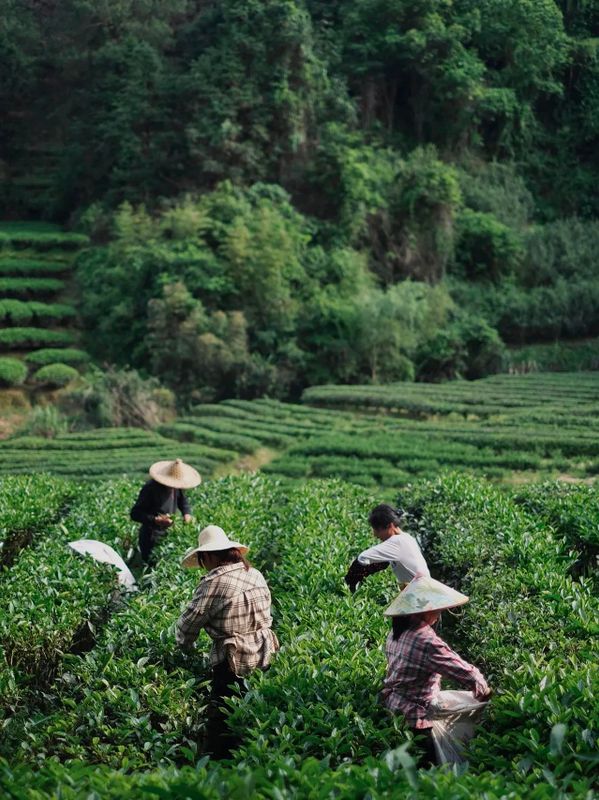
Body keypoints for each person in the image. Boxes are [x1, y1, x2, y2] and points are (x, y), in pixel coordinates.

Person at [176, 525, 279, 759]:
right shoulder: (254, 573)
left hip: (232, 657)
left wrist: (185, 646)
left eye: (203, 559)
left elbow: (188, 623)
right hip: (264, 650)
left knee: (224, 714)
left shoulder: (214, 582)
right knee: (255, 708)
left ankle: (222, 764)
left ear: (211, 556)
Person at [380, 574, 492, 766]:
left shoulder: (396, 632)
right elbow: (464, 671)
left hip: (393, 705)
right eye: (436, 609)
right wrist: (483, 688)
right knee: (433, 769)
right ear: (422, 611)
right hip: (416, 716)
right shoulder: (426, 640)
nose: (438, 614)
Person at [344, 503, 429, 593]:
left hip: (421, 595)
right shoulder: (407, 538)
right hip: (426, 591)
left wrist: (350, 583)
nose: (375, 534)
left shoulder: (397, 542)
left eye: (377, 530)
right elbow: (383, 563)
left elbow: (362, 558)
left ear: (390, 526)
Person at [130, 458, 201, 563]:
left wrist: (187, 514)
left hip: (168, 535)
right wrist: (156, 520)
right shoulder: (150, 489)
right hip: (151, 538)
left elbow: (183, 502)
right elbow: (135, 514)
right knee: (152, 565)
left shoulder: (176, 487)